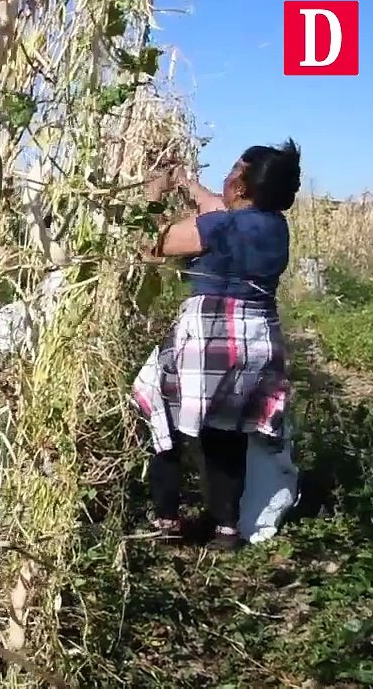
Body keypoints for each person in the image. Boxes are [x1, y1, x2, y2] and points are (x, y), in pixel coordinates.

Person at [132, 140, 300, 550]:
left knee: (160, 409)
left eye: (231, 173)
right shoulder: (273, 225)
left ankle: (167, 518)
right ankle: (227, 529)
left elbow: (151, 245)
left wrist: (153, 191)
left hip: (210, 334)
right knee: (228, 430)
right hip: (258, 338)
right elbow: (219, 208)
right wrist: (186, 180)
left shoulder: (221, 227)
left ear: (242, 188)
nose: (224, 179)